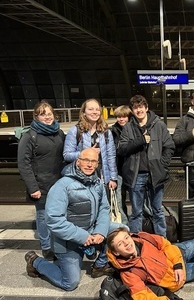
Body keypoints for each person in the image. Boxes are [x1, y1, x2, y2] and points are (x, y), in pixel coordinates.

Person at [25, 148, 127, 291]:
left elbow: (104, 209)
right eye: (86, 160)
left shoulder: (97, 183)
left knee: (121, 229)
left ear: (97, 164)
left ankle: (100, 265)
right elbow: (53, 220)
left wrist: (100, 232)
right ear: (78, 161)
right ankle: (35, 262)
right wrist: (82, 237)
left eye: (93, 161)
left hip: (90, 230)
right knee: (70, 283)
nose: (89, 164)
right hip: (67, 240)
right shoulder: (62, 186)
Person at [101, 227, 194, 300]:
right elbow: (143, 297)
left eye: (126, 237)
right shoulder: (128, 273)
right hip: (176, 277)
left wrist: (177, 264)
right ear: (115, 252)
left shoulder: (141, 237)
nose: (127, 243)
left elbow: (164, 244)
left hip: (177, 252)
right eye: (120, 244)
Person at [18, 100, 66, 260]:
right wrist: (33, 188)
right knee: (43, 215)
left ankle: (58, 243)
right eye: (43, 114)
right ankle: (46, 246)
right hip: (40, 185)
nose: (47, 117)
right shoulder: (29, 136)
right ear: (36, 116)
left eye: (50, 113)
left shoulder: (58, 133)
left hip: (58, 182)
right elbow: (23, 164)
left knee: (59, 214)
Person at [122, 95, 175, 238]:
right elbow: (121, 149)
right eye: (135, 108)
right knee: (136, 212)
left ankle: (161, 241)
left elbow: (169, 146)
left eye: (141, 107)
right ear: (132, 111)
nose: (138, 110)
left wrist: (162, 165)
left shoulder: (159, 125)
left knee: (157, 209)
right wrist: (140, 141)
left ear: (146, 108)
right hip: (136, 175)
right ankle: (136, 241)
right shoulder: (128, 127)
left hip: (155, 174)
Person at [63, 99, 119, 199]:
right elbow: (67, 155)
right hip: (81, 179)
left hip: (102, 177)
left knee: (103, 209)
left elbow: (111, 156)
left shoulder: (106, 132)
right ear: (84, 112)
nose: (95, 112)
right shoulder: (75, 131)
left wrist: (113, 178)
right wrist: (86, 153)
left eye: (97, 109)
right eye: (90, 109)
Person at [110, 105, 140, 224]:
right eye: (118, 117)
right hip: (118, 170)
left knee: (136, 201)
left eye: (124, 117)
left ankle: (138, 224)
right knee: (118, 201)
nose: (121, 119)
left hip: (133, 169)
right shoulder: (113, 131)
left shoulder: (135, 129)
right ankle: (124, 225)